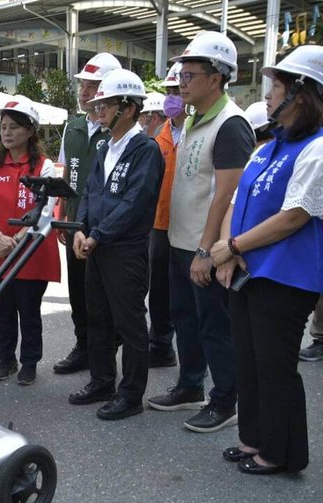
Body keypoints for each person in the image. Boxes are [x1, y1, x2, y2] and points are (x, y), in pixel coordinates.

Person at [210, 45, 323, 474]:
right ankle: (253, 438)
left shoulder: (318, 147)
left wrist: (233, 248)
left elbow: (293, 216)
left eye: (278, 87)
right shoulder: (269, 146)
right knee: (249, 360)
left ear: (304, 94)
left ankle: (280, 453)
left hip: (285, 277)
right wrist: (226, 251)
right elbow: (238, 200)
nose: (270, 95)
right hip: (247, 270)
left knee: (275, 367)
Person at [146, 31, 255, 433]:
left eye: (190, 75)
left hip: (201, 247)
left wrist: (207, 251)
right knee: (184, 318)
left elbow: (227, 195)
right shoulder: (193, 119)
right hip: (179, 241)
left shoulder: (231, 124)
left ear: (217, 77)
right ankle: (190, 386)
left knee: (213, 325)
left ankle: (226, 400)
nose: (182, 82)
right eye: (181, 74)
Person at [67, 70, 164, 420]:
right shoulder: (106, 147)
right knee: (98, 317)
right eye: (98, 104)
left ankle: (131, 394)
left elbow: (134, 203)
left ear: (128, 107)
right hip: (97, 246)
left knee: (130, 322)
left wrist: (97, 234)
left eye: (106, 104)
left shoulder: (145, 149)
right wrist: (81, 229)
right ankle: (102, 381)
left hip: (125, 250)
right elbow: (90, 193)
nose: (98, 109)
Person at [0, 96, 61, 386]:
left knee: (29, 308)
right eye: (4, 127)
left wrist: (17, 238)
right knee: (4, 308)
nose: (6, 133)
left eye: (14, 127)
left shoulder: (44, 167)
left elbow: (46, 210)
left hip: (31, 251)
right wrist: (0, 238)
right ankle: (6, 359)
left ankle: (30, 362)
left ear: (30, 130)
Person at [52, 52, 122, 375]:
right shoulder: (73, 127)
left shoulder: (118, 130)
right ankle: (83, 345)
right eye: (82, 86)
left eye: (91, 87)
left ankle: (103, 349)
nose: (83, 93)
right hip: (75, 221)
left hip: (106, 228)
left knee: (104, 295)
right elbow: (66, 173)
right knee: (78, 292)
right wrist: (62, 214)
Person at [148, 63, 185, 369]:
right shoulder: (161, 133)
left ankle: (192, 362)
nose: (172, 97)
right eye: (169, 91)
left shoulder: (200, 128)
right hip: (159, 223)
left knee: (186, 294)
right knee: (158, 289)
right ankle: (161, 346)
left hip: (189, 226)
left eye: (177, 91)